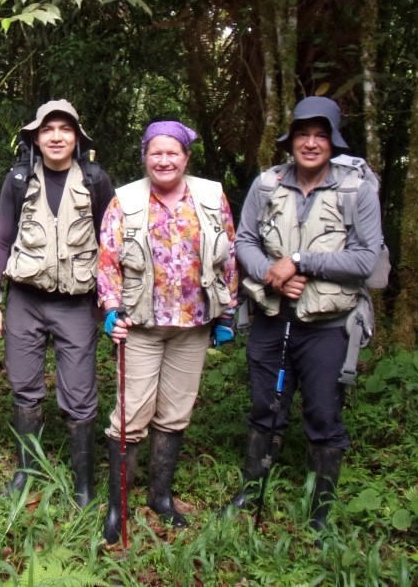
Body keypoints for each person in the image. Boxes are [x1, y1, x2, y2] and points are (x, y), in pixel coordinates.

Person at [225, 96, 384, 532]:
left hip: (329, 326)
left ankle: (320, 510)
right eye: (302, 134)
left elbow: (366, 259)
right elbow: (244, 244)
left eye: (320, 135)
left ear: (332, 142)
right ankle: (251, 489)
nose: (311, 143)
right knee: (265, 406)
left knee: (323, 413)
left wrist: (299, 260)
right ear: (290, 140)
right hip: (272, 318)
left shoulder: (357, 189)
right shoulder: (267, 184)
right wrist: (273, 275)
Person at [97, 120, 238, 543]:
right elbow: (107, 260)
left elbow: (228, 254)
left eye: (172, 153)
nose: (164, 160)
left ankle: (160, 496)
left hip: (193, 325)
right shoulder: (125, 200)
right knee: (130, 415)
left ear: (185, 157)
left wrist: (226, 313)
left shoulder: (211, 196)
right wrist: (110, 308)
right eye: (156, 152)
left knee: (175, 413)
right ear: (144, 156)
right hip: (141, 324)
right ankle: (117, 505)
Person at [0, 99, 114, 507]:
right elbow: (1, 239)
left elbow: (111, 244)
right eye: (48, 130)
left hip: (76, 303)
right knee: (25, 389)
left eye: (65, 129)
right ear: (36, 138)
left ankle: (83, 482)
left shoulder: (95, 180)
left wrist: (108, 301)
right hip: (25, 300)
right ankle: (26, 470)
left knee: (79, 394)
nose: (56, 137)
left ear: (77, 138)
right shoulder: (18, 179)